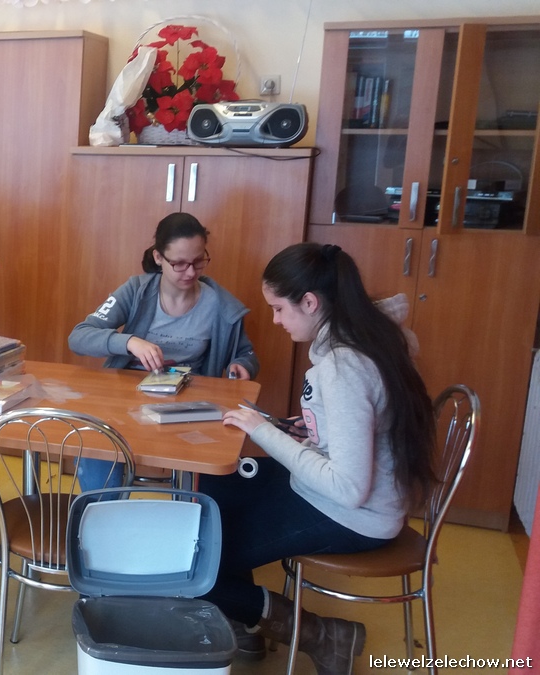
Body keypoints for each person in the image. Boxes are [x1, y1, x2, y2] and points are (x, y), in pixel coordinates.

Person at [199, 242, 435, 674]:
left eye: (279, 309)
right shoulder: (367, 335)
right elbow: (365, 424)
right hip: (342, 490)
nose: (275, 320)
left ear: (310, 302)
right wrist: (314, 429)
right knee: (213, 485)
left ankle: (323, 636)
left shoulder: (345, 367)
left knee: (195, 563)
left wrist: (263, 431)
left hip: (353, 514)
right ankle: (246, 618)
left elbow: (348, 487)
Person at [68, 212, 259, 490]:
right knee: (99, 447)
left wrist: (242, 365)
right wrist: (129, 342)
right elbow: (79, 336)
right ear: (158, 257)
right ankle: (100, 511)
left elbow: (246, 354)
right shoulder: (136, 290)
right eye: (179, 264)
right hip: (123, 400)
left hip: (186, 407)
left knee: (200, 473)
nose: (190, 272)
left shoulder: (220, 305)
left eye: (198, 261)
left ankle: (186, 511)